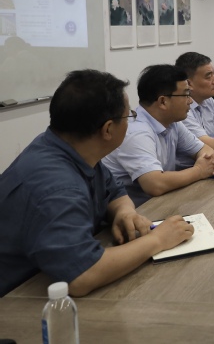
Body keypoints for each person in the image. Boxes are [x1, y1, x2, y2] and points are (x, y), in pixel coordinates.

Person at [0, 70, 194, 297]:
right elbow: (83, 276)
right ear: (108, 129)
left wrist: (124, 212)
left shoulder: (68, 147)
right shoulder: (57, 186)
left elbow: (114, 190)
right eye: (129, 116)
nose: (131, 121)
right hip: (19, 298)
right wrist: (158, 239)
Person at [104, 65, 214, 206]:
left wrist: (206, 163)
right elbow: (155, 184)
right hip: (140, 211)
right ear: (163, 101)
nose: (190, 101)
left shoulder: (172, 122)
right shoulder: (137, 133)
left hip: (165, 202)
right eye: (186, 95)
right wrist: (199, 170)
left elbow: (205, 150)